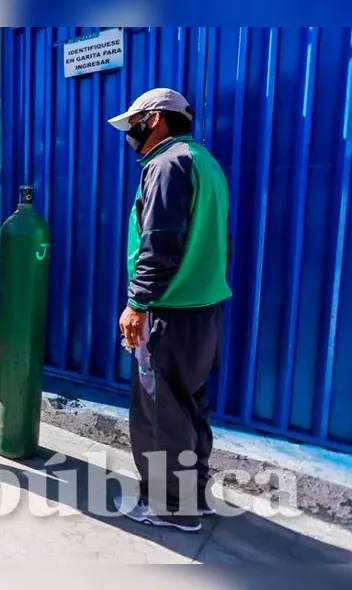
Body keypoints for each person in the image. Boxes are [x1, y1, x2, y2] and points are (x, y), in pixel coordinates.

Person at [108, 88, 232, 533]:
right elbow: (223, 242)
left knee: (160, 412)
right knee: (190, 407)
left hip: (169, 314)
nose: (130, 133)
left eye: (134, 123)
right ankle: (193, 497)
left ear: (155, 119)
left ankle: (169, 507)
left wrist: (138, 304)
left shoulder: (166, 164)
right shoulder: (206, 163)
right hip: (204, 311)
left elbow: (159, 241)